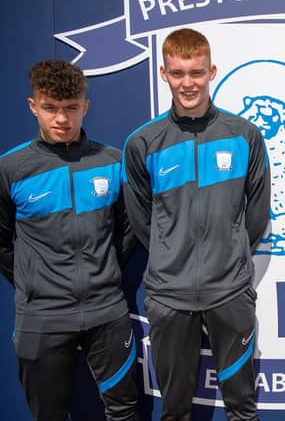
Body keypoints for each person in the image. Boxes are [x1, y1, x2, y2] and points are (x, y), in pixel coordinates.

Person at [122, 28, 270, 421]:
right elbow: (141, 220)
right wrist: (173, 255)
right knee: (174, 410)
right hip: (170, 296)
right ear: (163, 73)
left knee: (242, 407)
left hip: (230, 291)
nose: (187, 83)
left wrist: (231, 250)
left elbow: (256, 214)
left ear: (212, 71)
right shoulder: (144, 143)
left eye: (196, 72)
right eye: (178, 73)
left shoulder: (244, 136)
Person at [0, 60, 139, 420]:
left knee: (124, 412)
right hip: (41, 317)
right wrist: (35, 282)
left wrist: (102, 272)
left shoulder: (110, 161)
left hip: (107, 311)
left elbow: (126, 232)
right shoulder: (11, 169)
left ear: (85, 107)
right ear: (33, 106)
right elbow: (1, 243)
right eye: (50, 108)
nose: (61, 119)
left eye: (70, 108)